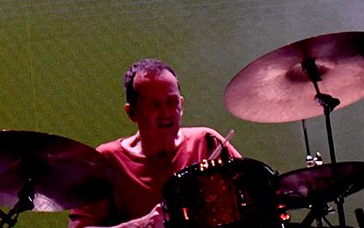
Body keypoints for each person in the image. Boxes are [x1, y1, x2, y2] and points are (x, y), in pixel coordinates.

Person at [68, 59, 241, 228]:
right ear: (132, 113)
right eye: (154, 105)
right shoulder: (105, 161)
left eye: (171, 102)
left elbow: (255, 196)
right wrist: (141, 225)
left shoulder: (207, 143)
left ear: (181, 104)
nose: (166, 112)